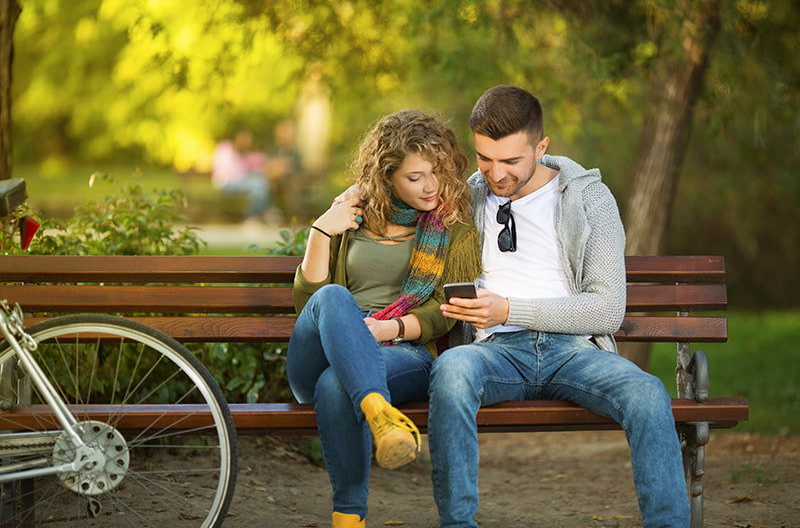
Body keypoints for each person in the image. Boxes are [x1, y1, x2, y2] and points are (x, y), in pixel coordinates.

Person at [431, 85, 690, 527]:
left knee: (647, 393)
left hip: (574, 352)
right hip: (494, 352)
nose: (496, 174)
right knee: (450, 373)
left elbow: (608, 310)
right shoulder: (465, 198)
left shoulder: (589, 198)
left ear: (542, 145)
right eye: (485, 158)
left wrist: (509, 310)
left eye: (511, 161)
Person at [287, 109, 481, 528]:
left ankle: (348, 516)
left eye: (436, 171)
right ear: (387, 176)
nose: (431, 186)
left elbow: (443, 312)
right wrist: (321, 232)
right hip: (322, 346)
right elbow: (309, 305)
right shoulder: (349, 214)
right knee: (334, 297)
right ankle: (378, 410)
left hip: (403, 350)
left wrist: (387, 328)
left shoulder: (453, 227)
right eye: (415, 177)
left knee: (337, 384)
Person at [211, 129, 271, 222]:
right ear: (237, 138)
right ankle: (261, 212)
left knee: (258, 187)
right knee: (259, 184)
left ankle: (255, 215)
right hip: (225, 183)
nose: (247, 143)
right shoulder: (225, 148)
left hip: (239, 183)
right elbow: (229, 173)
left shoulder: (243, 154)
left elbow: (248, 171)